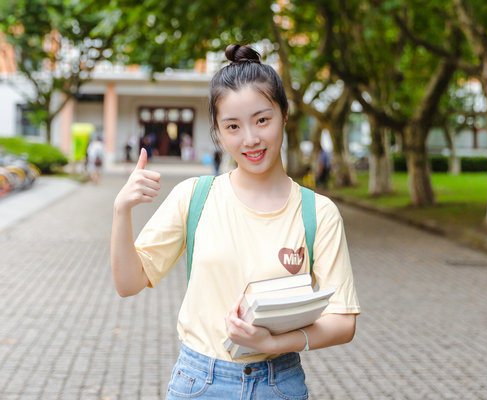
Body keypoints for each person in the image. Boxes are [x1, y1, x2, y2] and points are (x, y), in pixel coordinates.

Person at [111, 44, 360, 399]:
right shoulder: (193, 197)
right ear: (217, 131)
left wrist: (272, 341)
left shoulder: (318, 213)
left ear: (285, 114)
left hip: (279, 384)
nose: (251, 139)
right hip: (198, 383)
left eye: (262, 120)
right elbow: (127, 283)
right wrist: (122, 211)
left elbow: (343, 322)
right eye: (233, 126)